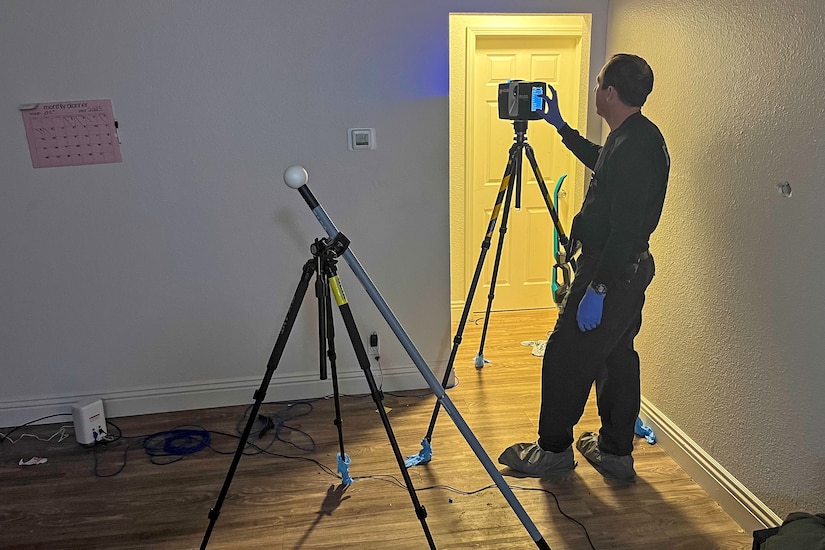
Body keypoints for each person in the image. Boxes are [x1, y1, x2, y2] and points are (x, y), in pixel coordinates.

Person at [498, 53, 670, 481]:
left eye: (598, 85)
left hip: (611, 271)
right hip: (623, 269)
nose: (596, 91)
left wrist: (598, 290)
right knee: (616, 357)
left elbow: (626, 229)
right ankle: (615, 451)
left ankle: (553, 449)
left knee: (563, 356)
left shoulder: (635, 147)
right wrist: (561, 128)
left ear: (609, 92)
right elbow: (604, 164)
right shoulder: (634, 136)